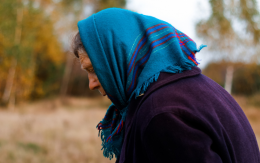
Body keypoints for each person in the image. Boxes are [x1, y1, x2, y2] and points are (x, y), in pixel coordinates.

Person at [71, 8, 260, 163]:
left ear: (118, 57)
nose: (91, 84)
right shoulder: (196, 87)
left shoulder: (162, 114)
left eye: (94, 69)